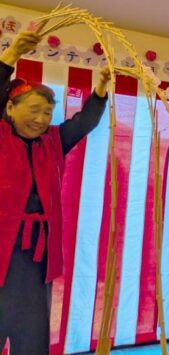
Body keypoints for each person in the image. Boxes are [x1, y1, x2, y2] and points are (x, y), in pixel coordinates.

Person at [0, 31, 109, 355]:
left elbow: (85, 122)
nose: (41, 119)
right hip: (2, 249)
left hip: (37, 254)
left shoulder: (53, 142)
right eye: (34, 110)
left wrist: (101, 89)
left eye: (48, 112)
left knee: (32, 337)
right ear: (9, 107)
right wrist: (10, 57)